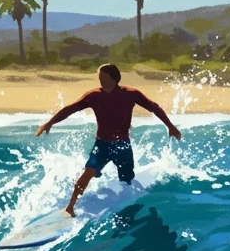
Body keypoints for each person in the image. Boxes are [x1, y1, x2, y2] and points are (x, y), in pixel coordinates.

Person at [36, 63, 183, 216]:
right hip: (102, 145)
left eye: (103, 78)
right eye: (99, 78)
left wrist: (170, 126)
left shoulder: (131, 94)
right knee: (88, 172)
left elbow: (154, 107)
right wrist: (50, 123)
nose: (100, 81)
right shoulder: (93, 96)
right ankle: (70, 207)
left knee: (126, 180)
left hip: (122, 146)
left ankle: (128, 207)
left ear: (115, 79)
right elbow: (70, 109)